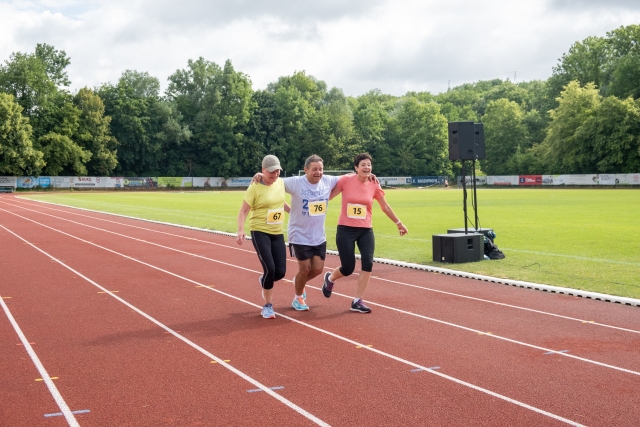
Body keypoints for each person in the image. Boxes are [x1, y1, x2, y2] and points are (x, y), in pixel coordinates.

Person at [322, 153, 408, 313]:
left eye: (369, 165)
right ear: (356, 167)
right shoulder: (345, 180)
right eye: (363, 165)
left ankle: (357, 301)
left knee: (368, 263)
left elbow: (385, 206)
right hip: (346, 230)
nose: (367, 167)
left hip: (365, 230)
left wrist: (399, 223)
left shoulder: (374, 184)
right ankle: (330, 278)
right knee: (348, 268)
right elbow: (328, 197)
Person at [237, 155, 290, 319]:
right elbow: (243, 211)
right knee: (270, 269)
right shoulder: (255, 187)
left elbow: (280, 202)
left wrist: (293, 211)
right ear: (263, 170)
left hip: (277, 232)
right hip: (259, 230)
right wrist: (240, 230)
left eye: (277, 171)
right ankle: (267, 306)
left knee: (280, 272)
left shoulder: (280, 183)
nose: (275, 175)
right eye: (271, 172)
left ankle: (264, 280)